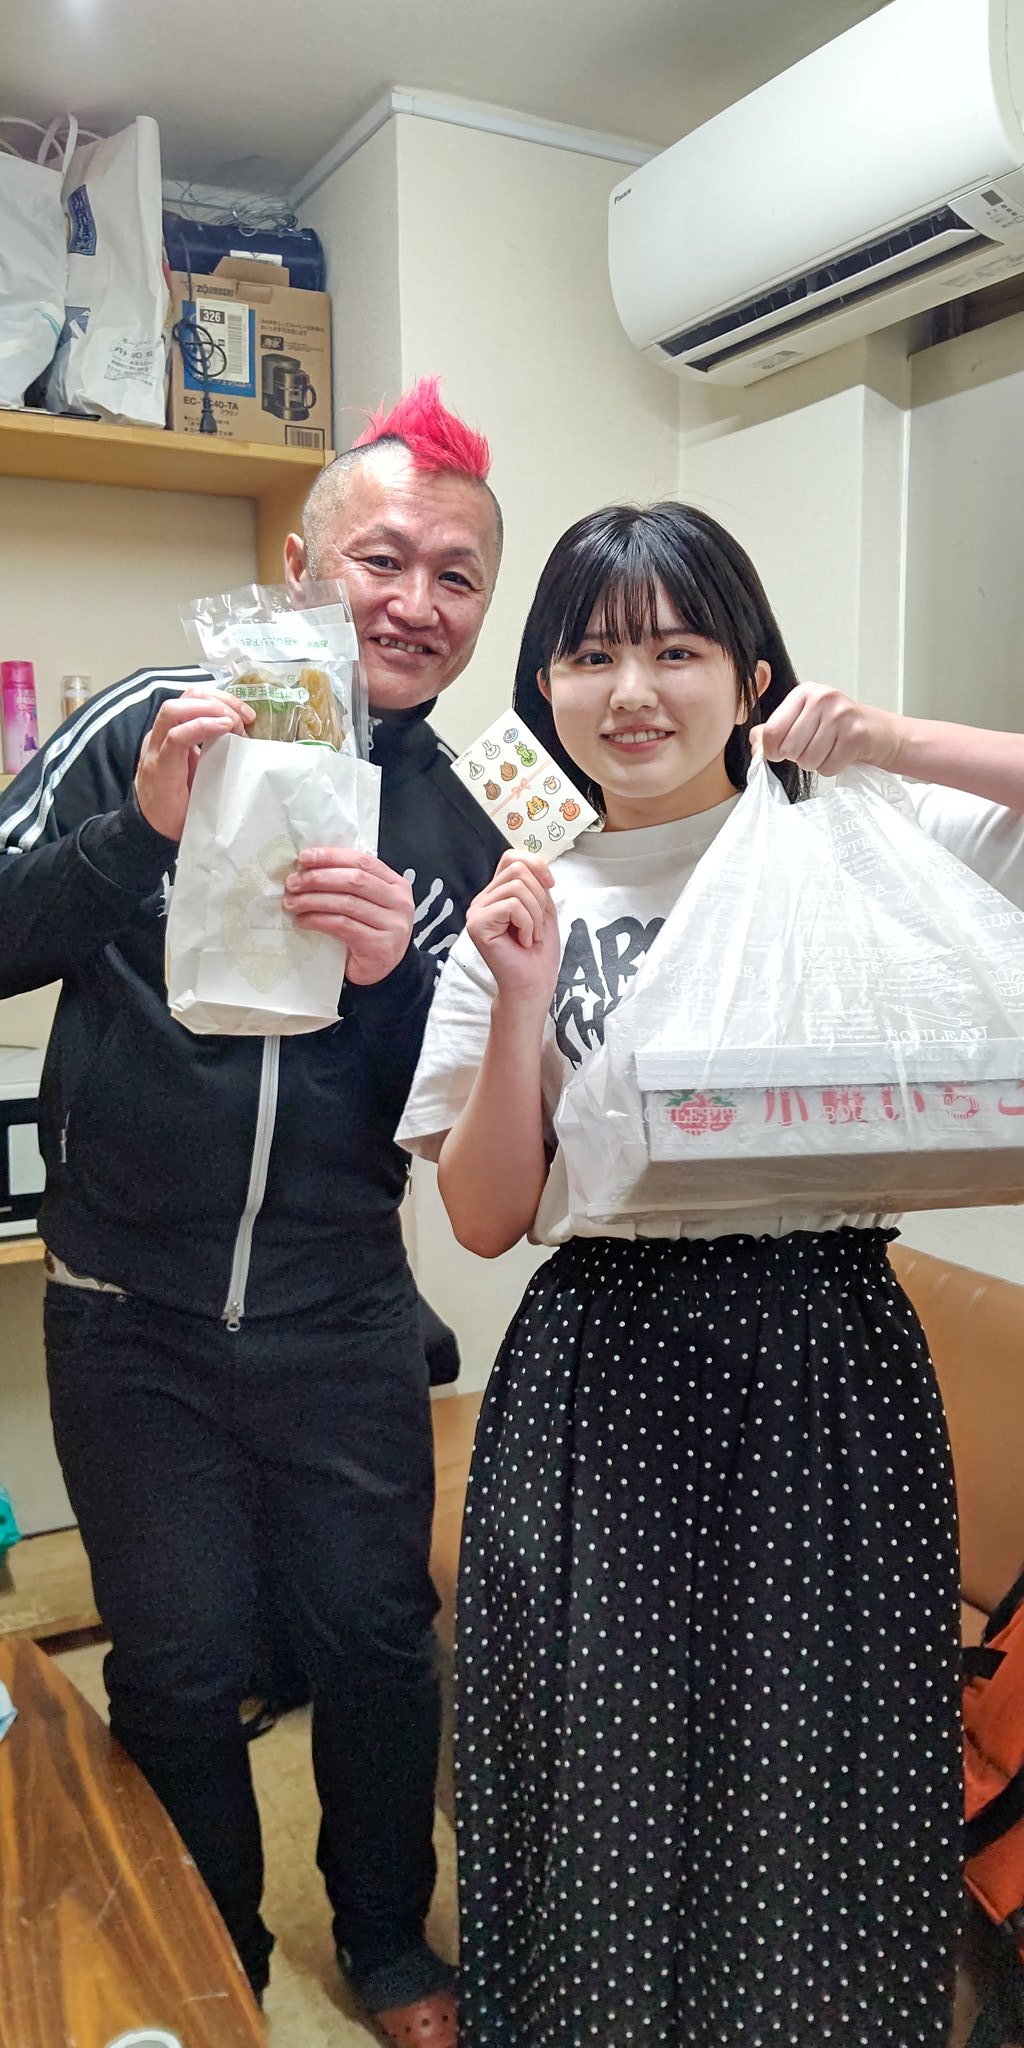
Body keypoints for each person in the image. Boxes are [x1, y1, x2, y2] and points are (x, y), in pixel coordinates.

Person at [395, 500, 1024, 2048]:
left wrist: (892, 740)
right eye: (591, 655)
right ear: (544, 689)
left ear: (751, 678)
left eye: (677, 651)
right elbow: (485, 1217)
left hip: (827, 1357)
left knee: (819, 1764)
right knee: (597, 1764)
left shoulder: (855, 836)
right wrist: (523, 995)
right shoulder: (527, 897)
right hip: (601, 1368)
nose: (632, 692)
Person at [0, 379, 506, 2046]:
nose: (414, 602)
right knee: (174, 1662)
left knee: (377, 1643)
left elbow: (452, 1125)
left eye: (455, 576)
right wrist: (135, 833)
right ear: (300, 563)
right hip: (123, 1317)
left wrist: (394, 972)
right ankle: (207, 1946)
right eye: (383, 558)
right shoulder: (158, 721)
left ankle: (386, 1941)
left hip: (343, 1312)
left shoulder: (463, 827)